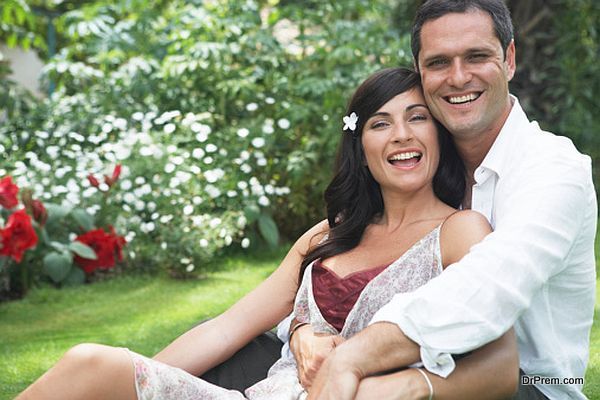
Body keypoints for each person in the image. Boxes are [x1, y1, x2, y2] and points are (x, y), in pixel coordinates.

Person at [16, 68, 519, 399]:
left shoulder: (460, 233)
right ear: (360, 144)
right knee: (94, 365)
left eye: (418, 118)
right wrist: (147, 382)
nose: (403, 135)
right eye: (381, 124)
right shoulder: (327, 236)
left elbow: (500, 370)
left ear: (439, 134)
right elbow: (226, 328)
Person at [298, 1, 597, 399]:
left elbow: (490, 286)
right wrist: (304, 330)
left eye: (476, 56)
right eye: (439, 62)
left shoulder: (553, 168)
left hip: (526, 388)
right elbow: (360, 269)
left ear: (509, 60)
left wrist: (355, 357)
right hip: (406, 362)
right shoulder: (421, 169)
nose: (458, 77)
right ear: (421, 72)